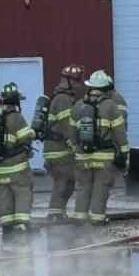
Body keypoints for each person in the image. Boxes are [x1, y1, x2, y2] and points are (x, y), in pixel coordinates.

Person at [68, 70, 128, 225]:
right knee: (100, 189)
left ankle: (80, 220)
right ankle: (97, 221)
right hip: (104, 156)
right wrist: (123, 151)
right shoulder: (111, 106)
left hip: (83, 156)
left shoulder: (78, 106)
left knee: (83, 188)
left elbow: (72, 132)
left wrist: (75, 147)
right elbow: (119, 132)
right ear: (105, 87)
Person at [0, 82, 35, 234]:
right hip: (16, 168)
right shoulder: (16, 118)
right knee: (22, 192)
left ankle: (6, 226)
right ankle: (21, 225)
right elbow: (26, 137)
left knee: (5, 196)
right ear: (16, 101)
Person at [42, 65, 83, 220]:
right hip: (59, 149)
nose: (79, 84)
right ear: (68, 81)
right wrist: (76, 148)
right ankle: (55, 214)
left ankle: (57, 213)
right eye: (76, 81)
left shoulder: (64, 97)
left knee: (67, 181)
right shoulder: (63, 99)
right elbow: (67, 127)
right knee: (66, 180)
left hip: (59, 148)